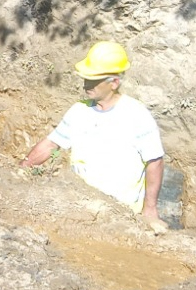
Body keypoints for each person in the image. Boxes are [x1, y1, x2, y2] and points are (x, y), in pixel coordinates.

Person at [20, 41, 167, 232]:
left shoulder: (136, 115)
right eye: (86, 78)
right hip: (80, 208)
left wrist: (150, 209)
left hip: (121, 214)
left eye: (93, 79)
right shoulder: (79, 111)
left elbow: (155, 161)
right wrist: (22, 169)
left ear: (114, 82)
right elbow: (51, 144)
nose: (86, 84)